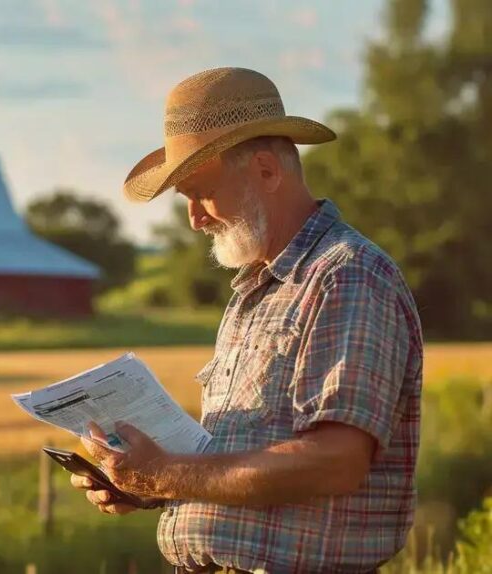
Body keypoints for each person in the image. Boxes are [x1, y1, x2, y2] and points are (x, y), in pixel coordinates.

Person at [70, 68, 423, 573]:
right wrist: (142, 483)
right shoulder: (255, 293)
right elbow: (247, 464)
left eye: (201, 191)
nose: (194, 218)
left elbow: (335, 462)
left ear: (266, 170)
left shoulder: (347, 277)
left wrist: (166, 474)